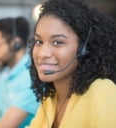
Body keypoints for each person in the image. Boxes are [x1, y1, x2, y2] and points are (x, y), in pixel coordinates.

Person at [26, 0, 116, 128]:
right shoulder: (51, 98)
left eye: (57, 42)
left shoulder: (103, 92)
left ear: (84, 49)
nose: (42, 53)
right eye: (39, 41)